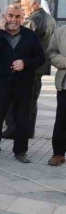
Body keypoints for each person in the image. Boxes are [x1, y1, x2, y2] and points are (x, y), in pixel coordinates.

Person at [0, 4, 45, 163]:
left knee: (22, 118)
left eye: (17, 17)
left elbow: (40, 59)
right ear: (5, 16)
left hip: (23, 84)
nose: (14, 20)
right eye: (11, 16)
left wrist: (25, 63)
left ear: (22, 18)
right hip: (0, 83)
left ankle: (21, 151)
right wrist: (1, 33)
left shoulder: (30, 35)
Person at [6, 0, 54, 139]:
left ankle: (17, 131)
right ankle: (28, 131)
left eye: (25, 6)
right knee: (32, 101)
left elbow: (22, 42)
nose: (23, 9)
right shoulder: (49, 18)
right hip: (40, 66)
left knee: (22, 101)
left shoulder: (33, 20)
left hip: (29, 66)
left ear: (35, 4)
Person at [47, 25, 66, 166]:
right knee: (62, 120)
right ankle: (58, 153)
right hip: (65, 85)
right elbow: (51, 53)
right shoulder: (60, 32)